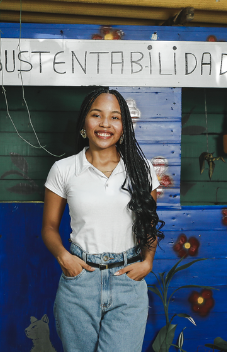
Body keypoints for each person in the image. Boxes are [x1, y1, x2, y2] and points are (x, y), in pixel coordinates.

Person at [42, 88, 164, 351]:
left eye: (115, 117)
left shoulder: (142, 169)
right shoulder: (64, 170)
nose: (105, 124)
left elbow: (149, 224)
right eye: (97, 115)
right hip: (80, 280)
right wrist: (64, 257)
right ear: (85, 122)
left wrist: (148, 262)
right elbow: (49, 228)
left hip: (127, 280)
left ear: (124, 126)